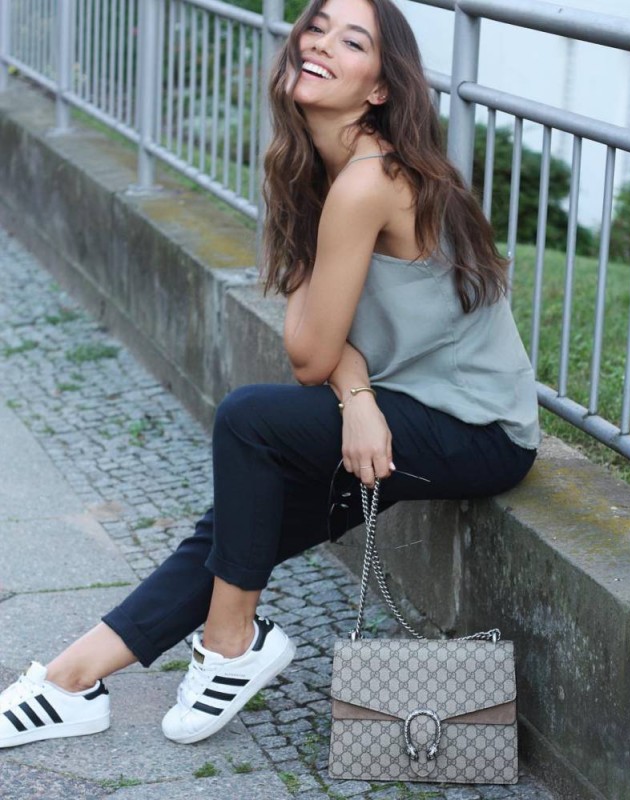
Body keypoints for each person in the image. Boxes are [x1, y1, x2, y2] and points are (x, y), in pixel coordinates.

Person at [0, 0, 539, 749]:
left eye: (351, 41)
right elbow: (317, 340)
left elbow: (309, 354)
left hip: (475, 427)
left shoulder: (369, 181)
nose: (319, 43)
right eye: (315, 26)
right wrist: (357, 398)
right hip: (405, 404)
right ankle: (71, 681)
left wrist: (354, 390)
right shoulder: (312, 169)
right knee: (235, 532)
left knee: (251, 421)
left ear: (380, 88)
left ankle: (232, 645)